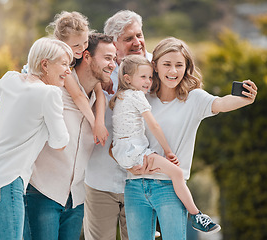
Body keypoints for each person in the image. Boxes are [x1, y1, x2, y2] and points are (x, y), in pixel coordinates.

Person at [123, 37, 258, 240]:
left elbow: (221, 103)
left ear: (186, 68)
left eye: (179, 65)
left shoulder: (194, 98)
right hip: (135, 184)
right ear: (155, 66)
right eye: (167, 64)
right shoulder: (140, 96)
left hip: (170, 188)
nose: (173, 71)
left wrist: (244, 99)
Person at [0, 37, 73, 239]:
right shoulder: (49, 94)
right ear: (45, 64)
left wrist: (17, 79)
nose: (68, 70)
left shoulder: (11, 79)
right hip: (4, 185)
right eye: (64, 64)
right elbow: (60, 142)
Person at [110, 54, 221, 237]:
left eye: (150, 77)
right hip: (136, 153)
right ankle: (196, 215)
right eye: (143, 77)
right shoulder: (138, 96)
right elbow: (154, 126)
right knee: (177, 173)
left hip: (122, 154)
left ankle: (187, 216)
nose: (148, 81)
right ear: (128, 79)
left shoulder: (119, 97)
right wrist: (168, 152)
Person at [23, 33, 116, 240]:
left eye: (114, 58)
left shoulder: (99, 99)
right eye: (108, 58)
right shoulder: (52, 86)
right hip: (41, 192)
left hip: (76, 200)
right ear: (87, 56)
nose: (113, 64)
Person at [84, 10, 153, 240]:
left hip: (142, 182)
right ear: (113, 42)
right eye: (128, 38)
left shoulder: (156, 69)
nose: (137, 43)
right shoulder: (99, 70)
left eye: (139, 35)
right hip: (100, 178)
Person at [0, 11, 109, 145]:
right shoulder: (58, 61)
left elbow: (98, 91)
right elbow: (77, 95)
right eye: (76, 45)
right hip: (27, 83)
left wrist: (100, 122)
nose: (82, 49)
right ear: (60, 43)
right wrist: (94, 124)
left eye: (85, 42)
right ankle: (1, 145)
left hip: (35, 93)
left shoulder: (78, 55)